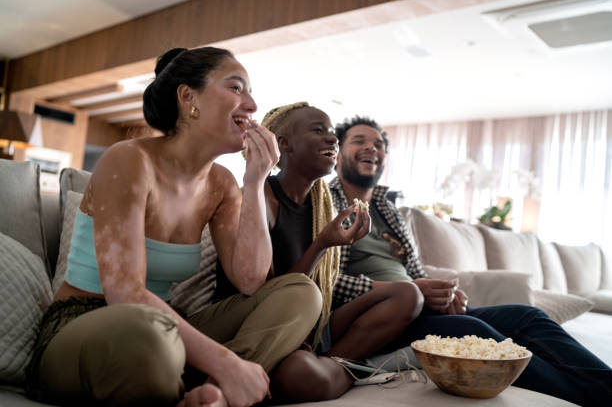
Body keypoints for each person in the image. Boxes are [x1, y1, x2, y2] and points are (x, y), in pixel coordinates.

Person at [25, 47, 323, 407]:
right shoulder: (130, 159)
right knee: (150, 335)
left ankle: (217, 393)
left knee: (301, 292)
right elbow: (124, 293)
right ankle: (216, 379)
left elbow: (250, 279)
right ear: (188, 98)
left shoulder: (222, 185)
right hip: (88, 328)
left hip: (165, 332)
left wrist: (256, 181)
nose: (252, 105)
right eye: (237, 88)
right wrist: (227, 361)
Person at [328, 115, 612, 406]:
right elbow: (323, 283)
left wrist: (441, 295)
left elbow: (415, 273)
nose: (371, 148)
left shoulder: (389, 211)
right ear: (337, 155)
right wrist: (405, 291)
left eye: (378, 144)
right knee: (476, 334)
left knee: (529, 316)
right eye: (359, 141)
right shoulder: (326, 202)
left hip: (420, 308)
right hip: (379, 318)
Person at [216, 102, 423, 402]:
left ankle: (336, 363)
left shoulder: (322, 204)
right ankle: (356, 370)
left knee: (409, 294)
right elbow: (269, 296)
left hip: (312, 324)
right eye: (318, 131)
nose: (332, 139)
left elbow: (324, 287)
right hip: (263, 326)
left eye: (331, 132)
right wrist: (322, 243)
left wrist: (331, 242)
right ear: (283, 144)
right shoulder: (261, 195)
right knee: (299, 376)